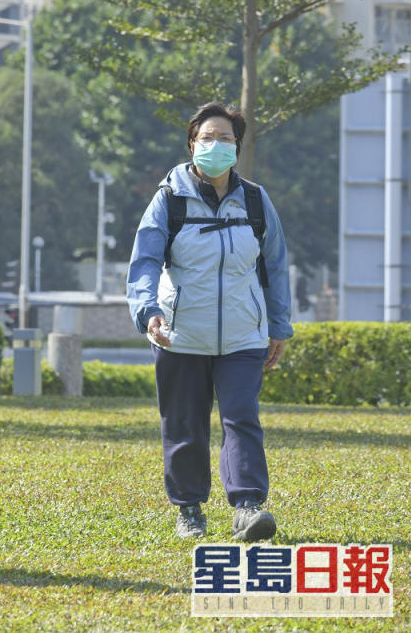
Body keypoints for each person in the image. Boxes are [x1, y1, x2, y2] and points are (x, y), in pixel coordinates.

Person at [126, 102, 293, 541]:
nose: (215, 146)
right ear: (191, 144)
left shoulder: (256, 201)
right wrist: (148, 312)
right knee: (184, 425)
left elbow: (275, 265)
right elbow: (144, 260)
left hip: (243, 334)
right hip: (179, 334)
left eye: (225, 139)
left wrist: (279, 326)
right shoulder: (168, 198)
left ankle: (248, 506)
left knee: (241, 418)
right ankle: (189, 509)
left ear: (237, 147)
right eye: (207, 138)